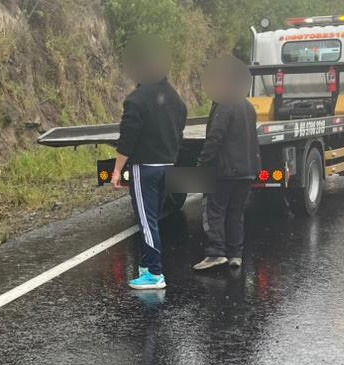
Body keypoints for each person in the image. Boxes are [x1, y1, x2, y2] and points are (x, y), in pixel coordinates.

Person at [111, 37, 188, 291]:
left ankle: (154, 273)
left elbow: (128, 139)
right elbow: (179, 132)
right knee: (154, 217)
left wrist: (117, 170)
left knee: (146, 220)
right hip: (167, 165)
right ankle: (147, 263)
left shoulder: (137, 99)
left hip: (144, 168)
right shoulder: (175, 99)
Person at [193, 57, 260, 272]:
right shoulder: (248, 107)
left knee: (215, 211)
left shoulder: (224, 104)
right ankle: (235, 254)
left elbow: (215, 137)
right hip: (246, 170)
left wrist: (202, 164)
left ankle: (215, 253)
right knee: (236, 213)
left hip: (225, 171)